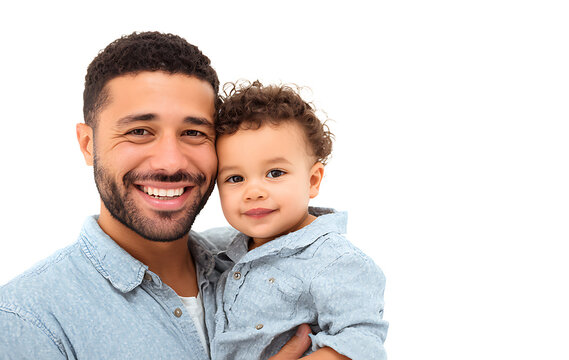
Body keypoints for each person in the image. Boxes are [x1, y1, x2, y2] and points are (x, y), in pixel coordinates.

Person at [0, 32, 344, 359]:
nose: (170, 162)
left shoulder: (265, 257)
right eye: (139, 131)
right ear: (88, 144)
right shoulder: (27, 319)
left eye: (193, 132)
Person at [210, 81, 388, 359]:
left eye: (275, 173)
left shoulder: (335, 261)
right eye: (235, 178)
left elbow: (361, 343)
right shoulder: (224, 255)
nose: (254, 192)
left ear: (313, 180)